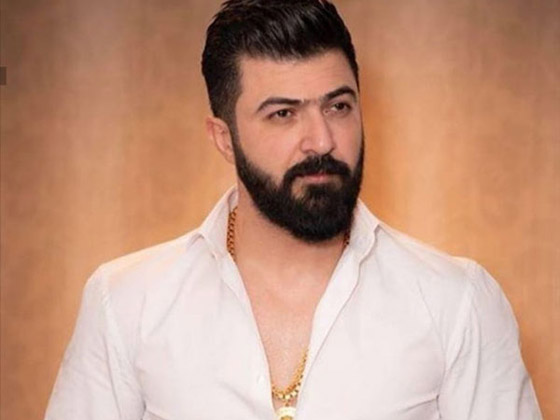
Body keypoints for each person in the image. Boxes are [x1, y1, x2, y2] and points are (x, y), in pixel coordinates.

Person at [45, 0, 542, 419]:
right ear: (224, 138)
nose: (322, 140)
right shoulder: (127, 302)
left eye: (338, 106)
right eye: (283, 113)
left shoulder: (457, 302)